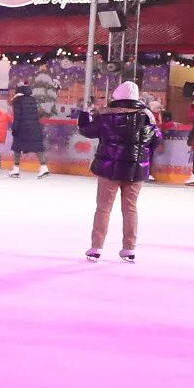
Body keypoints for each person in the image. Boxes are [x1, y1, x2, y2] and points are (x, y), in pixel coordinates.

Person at [79, 81, 160, 261]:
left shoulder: (105, 116)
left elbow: (87, 131)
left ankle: (96, 247)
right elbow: (156, 141)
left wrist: (84, 115)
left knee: (103, 208)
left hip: (109, 168)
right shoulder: (147, 117)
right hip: (135, 170)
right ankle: (129, 248)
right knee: (130, 209)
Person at [8, 79, 48, 177]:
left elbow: (18, 115)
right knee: (38, 147)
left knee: (17, 147)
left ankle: (16, 169)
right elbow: (37, 113)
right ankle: (44, 167)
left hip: (22, 128)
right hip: (34, 127)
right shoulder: (32, 99)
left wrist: (15, 128)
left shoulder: (17, 100)